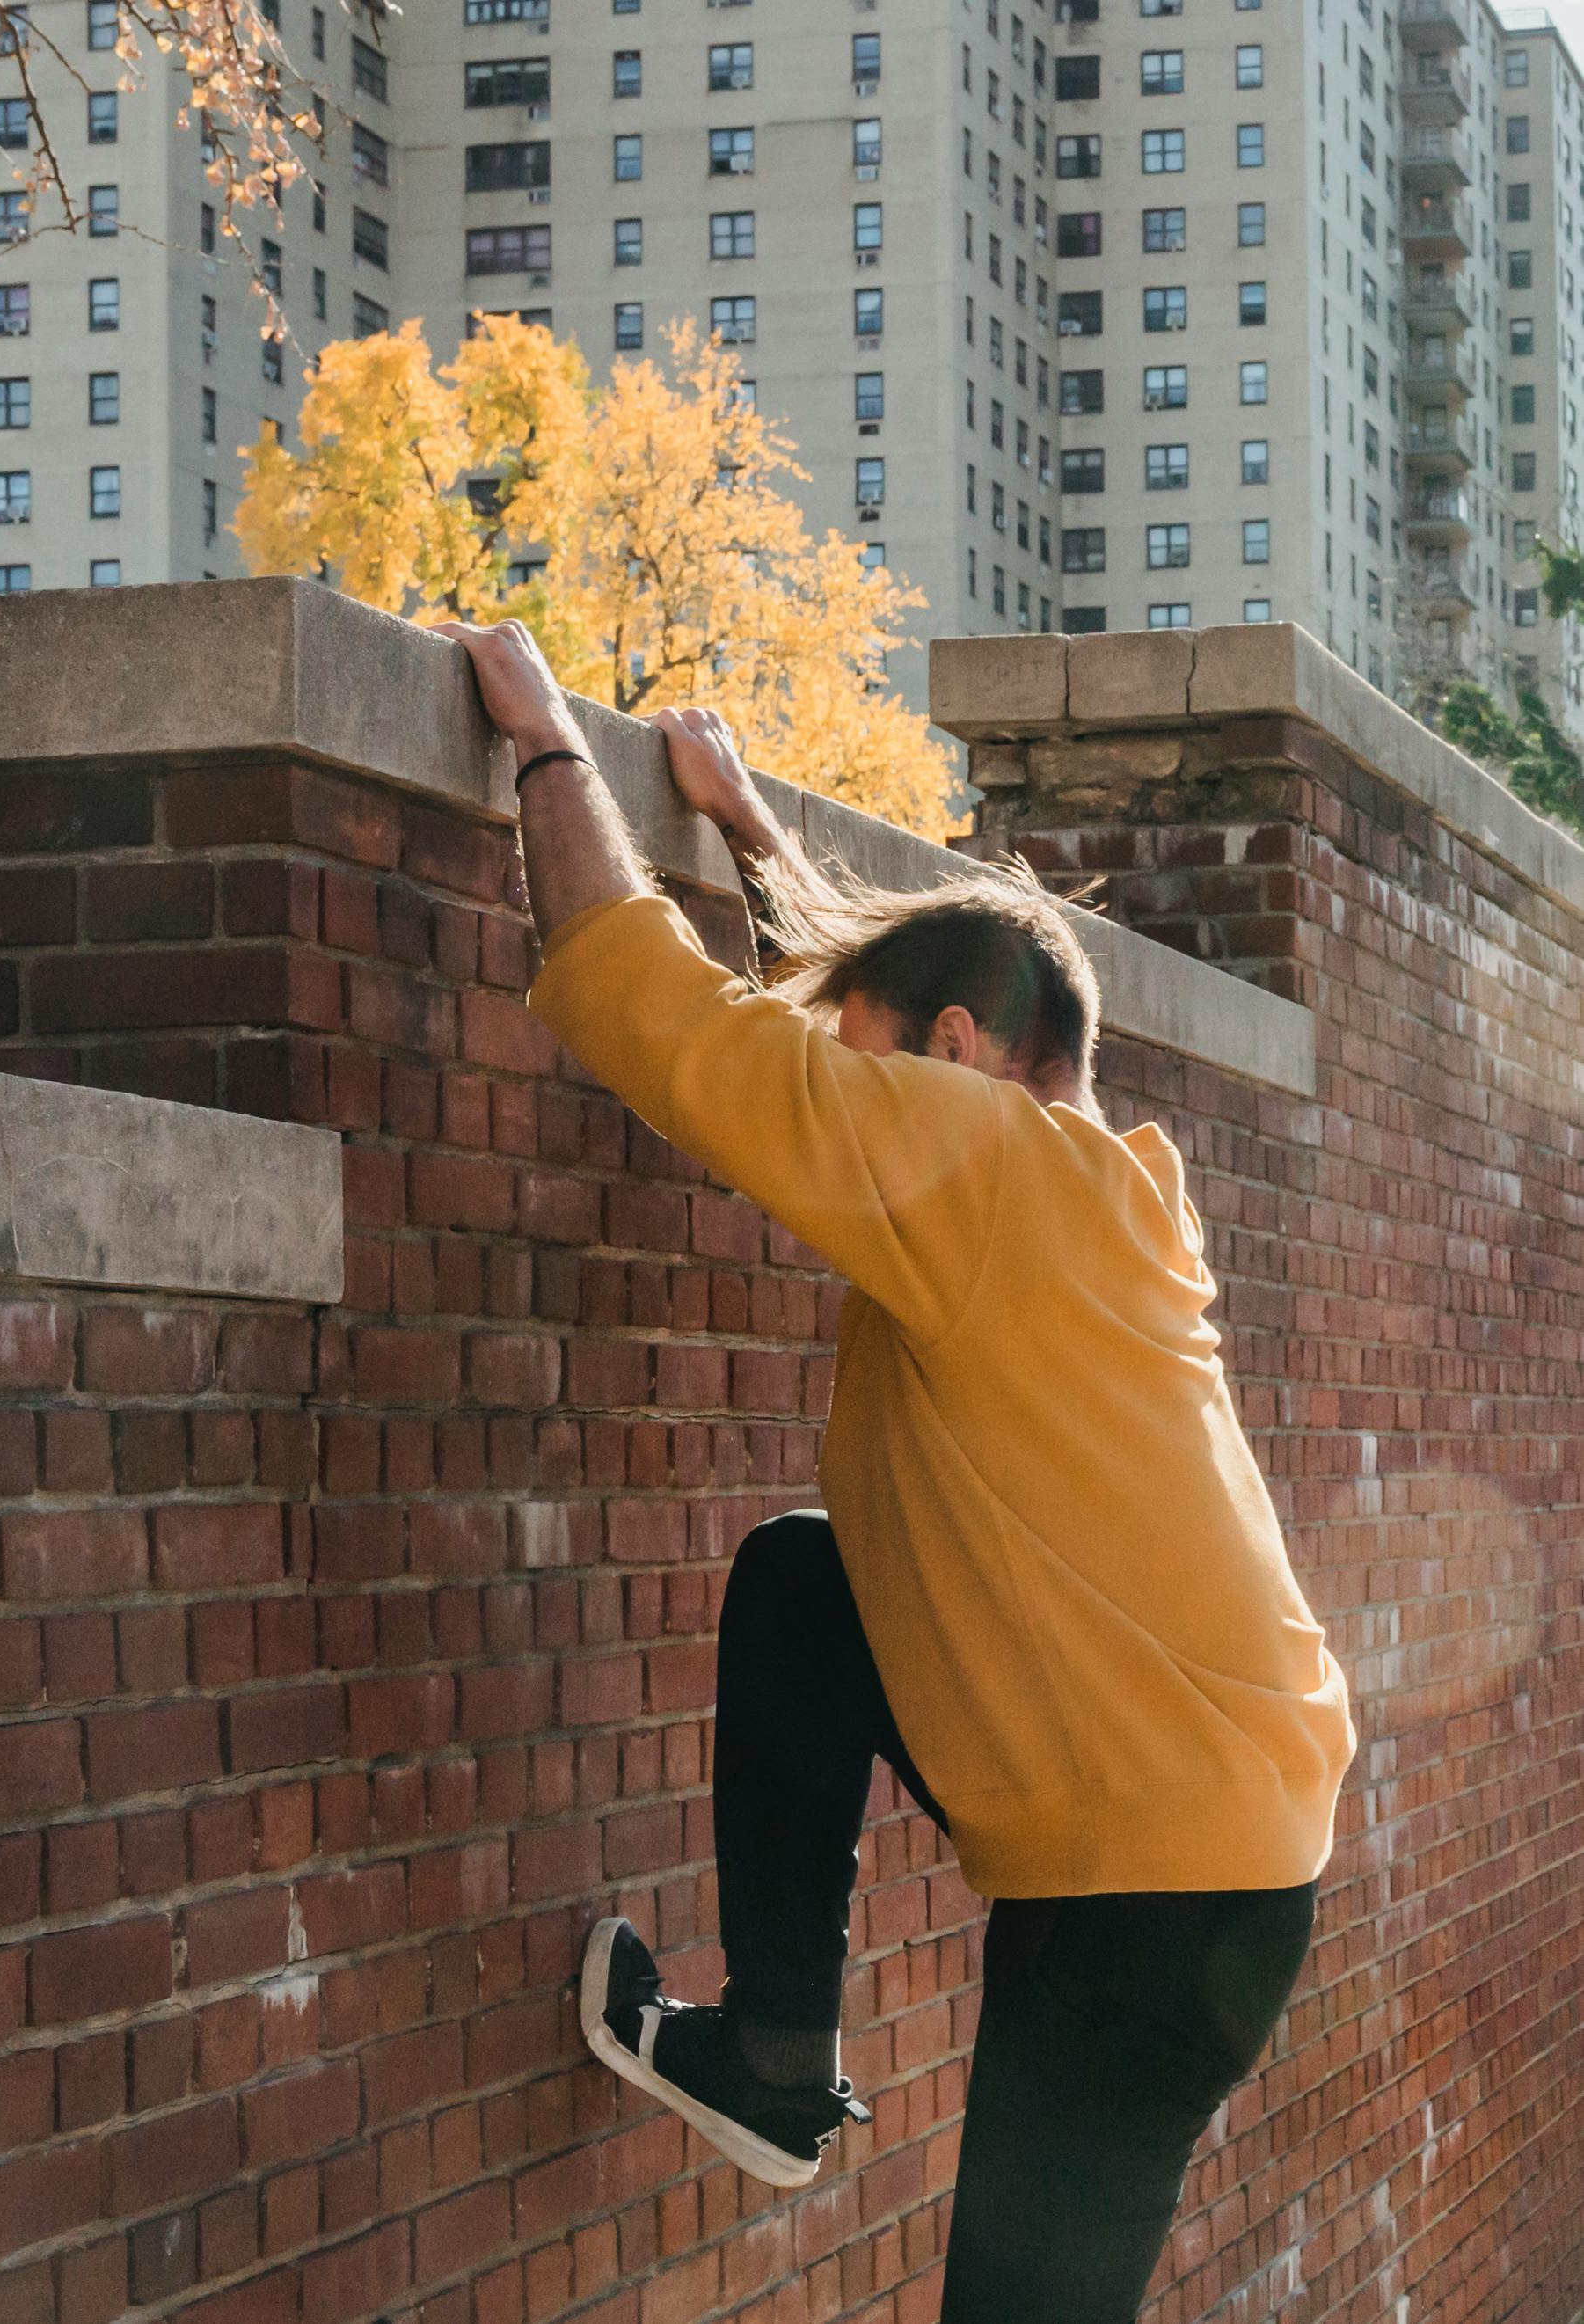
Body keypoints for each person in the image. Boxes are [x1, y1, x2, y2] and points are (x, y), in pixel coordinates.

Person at [434, 618, 1358, 2322]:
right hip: (1207, 1823)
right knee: (807, 1580)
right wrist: (750, 834)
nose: (835, 1115)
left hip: (1147, 1879)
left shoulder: (984, 1164)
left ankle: (779, 2063)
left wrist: (545, 738)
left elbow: (674, 1030)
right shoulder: (1083, 1180)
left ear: (944, 1059)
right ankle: (773, 2060)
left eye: (855, 1060)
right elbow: (892, 1030)